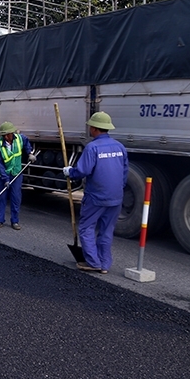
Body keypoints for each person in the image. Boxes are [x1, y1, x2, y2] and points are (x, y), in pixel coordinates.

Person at [62, 111, 128, 274]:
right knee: (106, 230)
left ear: (94, 128)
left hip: (96, 197)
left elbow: (83, 171)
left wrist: (70, 172)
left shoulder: (92, 148)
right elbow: (125, 172)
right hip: (115, 197)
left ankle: (93, 262)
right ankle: (104, 264)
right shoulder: (120, 147)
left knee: (86, 227)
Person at [0, 121, 36, 230]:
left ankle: (15, 221)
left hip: (16, 174)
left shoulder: (20, 138)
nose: (9, 137)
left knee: (16, 197)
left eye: (10, 134)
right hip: (2, 175)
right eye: (6, 135)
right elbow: (1, 165)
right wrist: (5, 179)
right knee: (1, 198)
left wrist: (30, 153)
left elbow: (26, 142)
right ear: (3, 135)